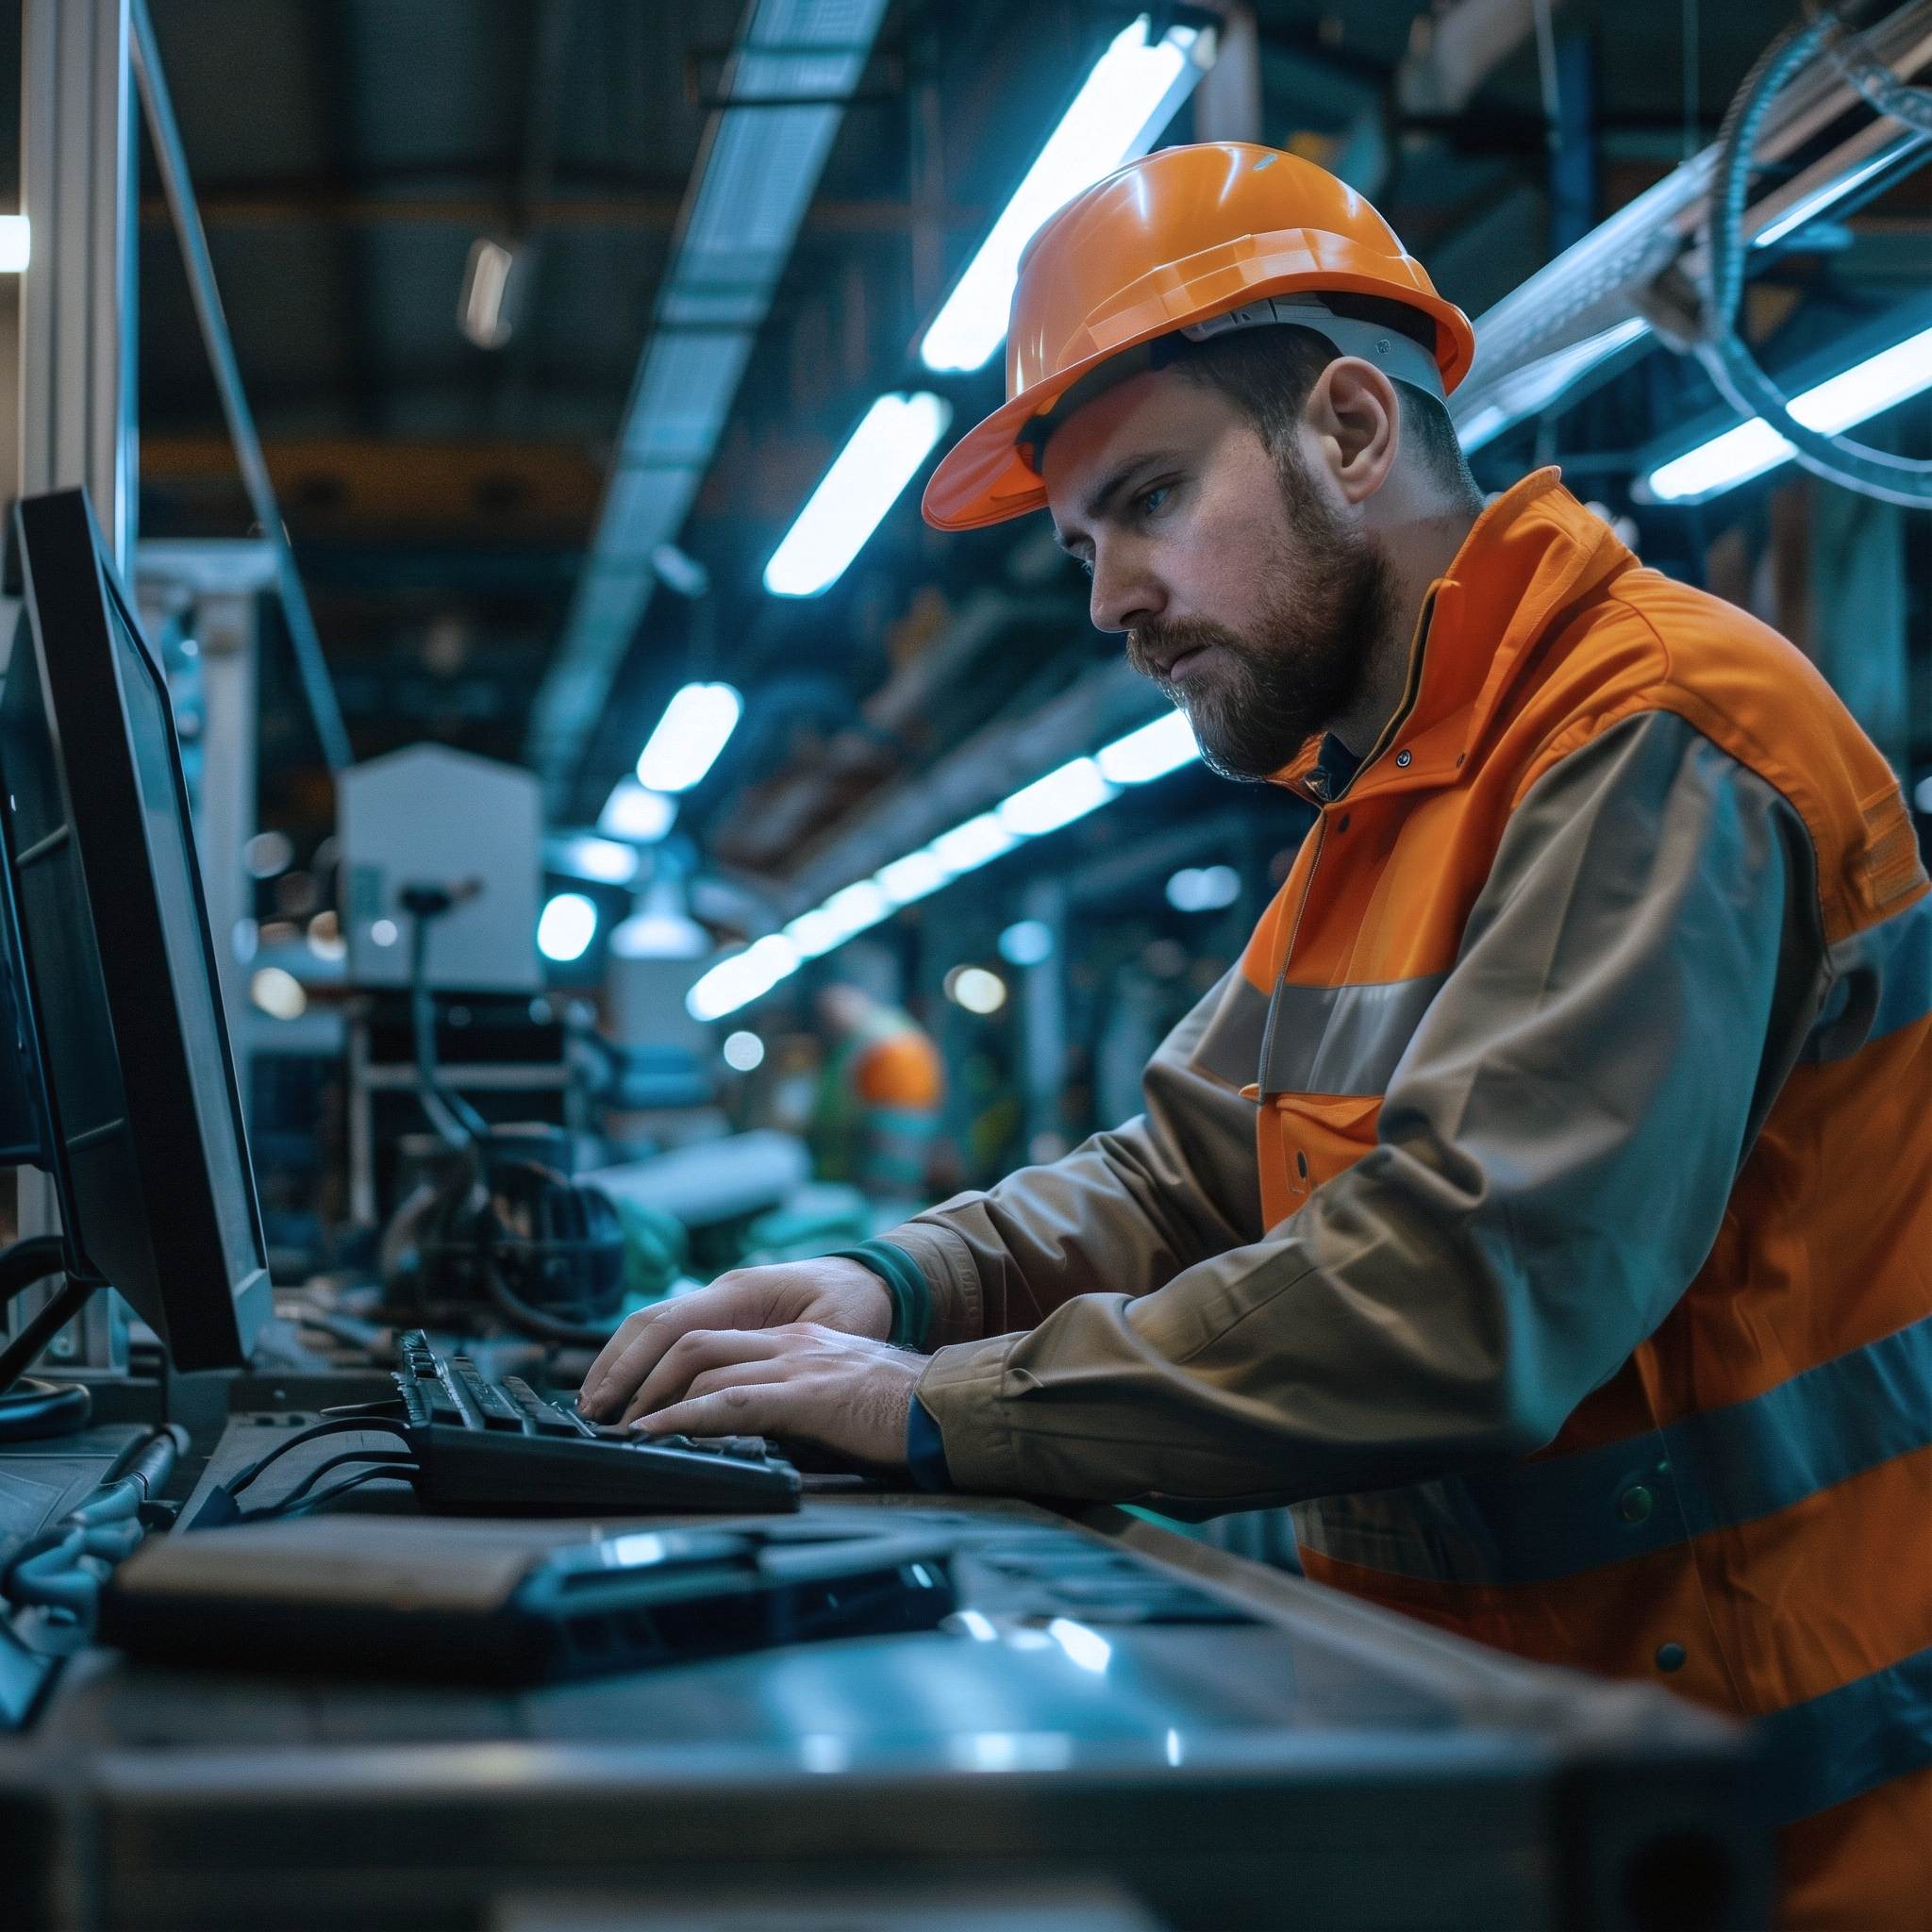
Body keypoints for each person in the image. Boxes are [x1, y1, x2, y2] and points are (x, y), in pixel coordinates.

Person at [580, 144, 1931, 1925]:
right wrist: (888, 1287)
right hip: (1480, 1762)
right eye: (1080, 543)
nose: (1106, 600)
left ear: (1352, 433)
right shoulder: (1380, 799)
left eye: (1147, 501)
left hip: (1748, 1829)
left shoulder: (1654, 733)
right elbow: (1181, 1177)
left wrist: (937, 1409)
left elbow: (1466, 1288)